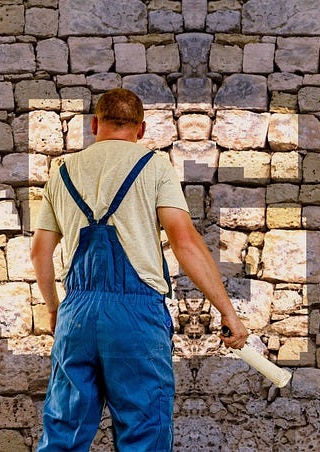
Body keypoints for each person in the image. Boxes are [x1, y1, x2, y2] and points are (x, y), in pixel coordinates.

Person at [31, 88, 249, 451]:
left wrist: (56, 309)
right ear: (142, 129)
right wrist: (228, 312)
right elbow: (185, 243)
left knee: (63, 436)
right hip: (135, 316)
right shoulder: (154, 167)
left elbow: (40, 251)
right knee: (143, 435)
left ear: (94, 124)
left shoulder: (63, 172)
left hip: (77, 317)